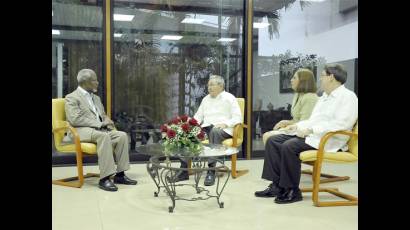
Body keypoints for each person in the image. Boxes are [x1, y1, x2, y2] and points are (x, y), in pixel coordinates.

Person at [254, 64, 358, 204]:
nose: (320, 79)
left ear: (331, 77)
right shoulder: (324, 98)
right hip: (314, 136)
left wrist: (311, 130)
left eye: (322, 75)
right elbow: (312, 120)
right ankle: (277, 186)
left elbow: (341, 124)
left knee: (289, 146)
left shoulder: (348, 97)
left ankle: (292, 190)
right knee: (274, 141)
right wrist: (295, 127)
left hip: (330, 140)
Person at [64, 69, 137, 192]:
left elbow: (102, 115)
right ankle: (105, 178)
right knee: (103, 137)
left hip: (98, 130)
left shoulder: (96, 98)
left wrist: (107, 121)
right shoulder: (72, 97)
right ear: (85, 82)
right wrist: (100, 123)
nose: (97, 82)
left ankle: (120, 175)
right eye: (94, 80)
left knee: (122, 136)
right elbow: (75, 119)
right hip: (79, 131)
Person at [169, 75, 242, 186]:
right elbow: (198, 117)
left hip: (223, 130)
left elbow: (238, 118)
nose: (209, 87)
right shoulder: (206, 99)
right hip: (206, 128)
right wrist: (188, 126)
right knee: (185, 133)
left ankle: (211, 170)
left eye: (212, 85)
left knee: (215, 131)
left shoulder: (229, 98)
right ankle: (183, 170)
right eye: (208, 85)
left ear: (221, 86)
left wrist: (225, 124)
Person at [262, 68, 318, 145]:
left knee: (268, 136)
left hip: (304, 133)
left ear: (303, 81)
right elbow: (296, 119)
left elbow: (304, 123)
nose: (291, 80)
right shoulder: (297, 95)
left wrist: (287, 125)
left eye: (294, 78)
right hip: (296, 128)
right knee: (267, 135)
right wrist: (285, 122)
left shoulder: (310, 97)